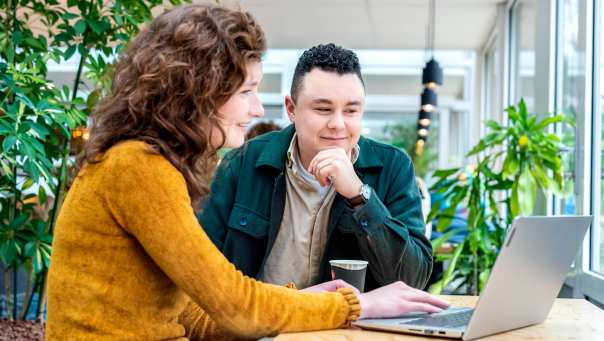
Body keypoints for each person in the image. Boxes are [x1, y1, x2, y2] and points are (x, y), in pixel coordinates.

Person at [45, 4, 448, 340]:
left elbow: (196, 311)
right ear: (198, 93)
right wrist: (355, 304)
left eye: (352, 109)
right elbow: (234, 303)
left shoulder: (143, 162)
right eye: (246, 92)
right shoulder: (139, 168)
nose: (257, 109)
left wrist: (311, 299)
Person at [199, 44, 433, 292]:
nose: (338, 124)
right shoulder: (244, 163)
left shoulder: (393, 167)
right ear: (291, 109)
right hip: (262, 324)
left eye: (351, 110)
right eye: (323, 109)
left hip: (351, 328)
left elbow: (412, 281)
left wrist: (359, 196)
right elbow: (201, 265)